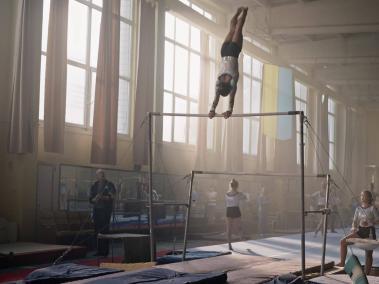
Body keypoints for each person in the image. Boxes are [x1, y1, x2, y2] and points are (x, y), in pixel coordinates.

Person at [209, 7, 248, 119]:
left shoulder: (232, 81)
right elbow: (217, 98)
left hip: (232, 52)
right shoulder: (220, 82)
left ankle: (244, 12)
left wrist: (228, 110)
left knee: (237, 29)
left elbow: (230, 98)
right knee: (233, 30)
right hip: (225, 52)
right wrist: (212, 110)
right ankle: (238, 12)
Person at [336, 190, 379, 275]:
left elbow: (378, 220)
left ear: (369, 197)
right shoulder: (358, 208)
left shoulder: (372, 208)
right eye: (361, 195)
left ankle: (367, 273)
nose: (362, 197)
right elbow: (355, 221)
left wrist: (370, 223)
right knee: (343, 242)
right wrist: (353, 227)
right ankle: (342, 262)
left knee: (368, 253)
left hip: (369, 232)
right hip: (360, 231)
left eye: (364, 196)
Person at [89, 169, 116, 256]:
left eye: (101, 174)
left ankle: (105, 251)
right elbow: (90, 198)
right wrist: (94, 199)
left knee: (104, 230)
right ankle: (98, 251)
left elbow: (112, 196)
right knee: (97, 230)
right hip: (96, 210)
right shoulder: (94, 185)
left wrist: (103, 197)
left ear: (104, 175)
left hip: (105, 211)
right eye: (98, 174)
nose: (100, 176)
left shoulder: (109, 184)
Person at [225, 178, 247, 250]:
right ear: (236, 186)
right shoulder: (238, 193)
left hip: (229, 210)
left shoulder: (226, 193)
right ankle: (241, 238)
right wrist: (240, 193)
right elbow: (245, 198)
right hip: (235, 209)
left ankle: (229, 244)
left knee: (229, 228)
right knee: (239, 226)